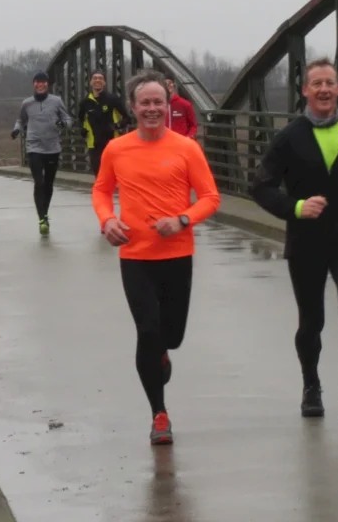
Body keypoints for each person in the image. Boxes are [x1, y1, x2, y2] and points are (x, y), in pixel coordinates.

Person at [250, 58, 338, 425]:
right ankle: (311, 387)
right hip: (306, 243)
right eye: (316, 84)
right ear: (306, 91)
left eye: (330, 83)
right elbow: (259, 186)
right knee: (312, 321)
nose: (324, 89)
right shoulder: (290, 137)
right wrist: (295, 206)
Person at [92, 69, 220, 446]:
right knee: (147, 331)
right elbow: (100, 191)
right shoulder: (117, 149)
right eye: (144, 103)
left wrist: (183, 219)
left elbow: (211, 198)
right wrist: (107, 220)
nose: (151, 109)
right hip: (135, 256)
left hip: (178, 254)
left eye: (158, 103)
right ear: (133, 107)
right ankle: (159, 414)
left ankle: (163, 353)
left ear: (168, 106)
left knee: (171, 336)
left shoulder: (186, 148)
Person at [11, 71, 72, 235]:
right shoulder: (27, 103)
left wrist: (62, 123)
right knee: (39, 182)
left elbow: (68, 119)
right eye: (38, 82)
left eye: (44, 82)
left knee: (49, 183)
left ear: (48, 84)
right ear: (34, 84)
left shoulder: (56, 101)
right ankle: (42, 218)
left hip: (52, 147)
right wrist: (16, 130)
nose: (41, 84)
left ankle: (44, 212)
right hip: (34, 147)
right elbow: (21, 120)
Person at [78, 70, 130, 176]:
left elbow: (127, 118)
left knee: (112, 174)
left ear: (104, 82)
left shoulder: (112, 99)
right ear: (90, 82)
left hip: (111, 143)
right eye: (95, 78)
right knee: (99, 175)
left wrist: (117, 126)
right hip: (94, 144)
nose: (97, 80)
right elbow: (80, 119)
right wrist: (82, 130)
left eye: (100, 78)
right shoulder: (85, 102)